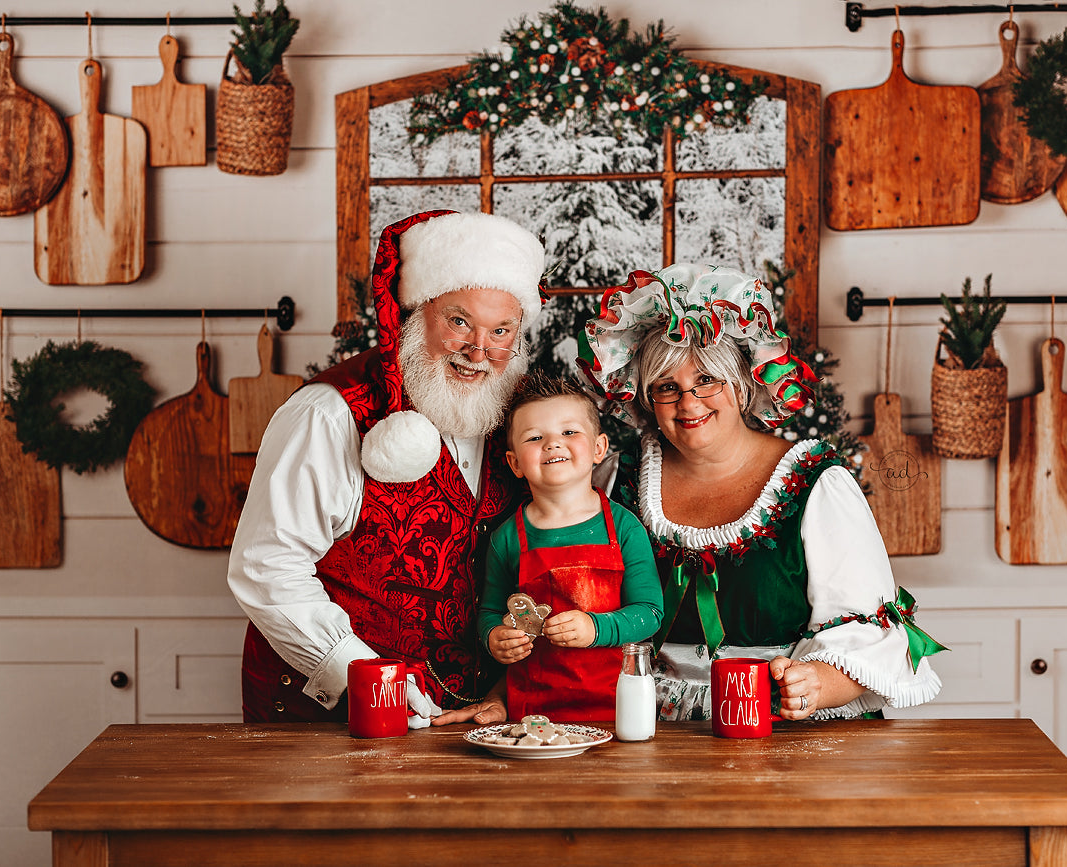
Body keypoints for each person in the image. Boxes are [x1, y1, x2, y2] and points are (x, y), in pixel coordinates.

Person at [576, 263, 943, 721]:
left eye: (707, 380)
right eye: (667, 388)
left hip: (782, 725)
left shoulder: (815, 482)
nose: (689, 403)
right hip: (648, 722)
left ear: (745, 381)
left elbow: (867, 635)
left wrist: (818, 684)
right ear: (647, 398)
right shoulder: (617, 476)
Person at [228, 209, 547, 727]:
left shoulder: (517, 421)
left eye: (501, 330)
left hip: (469, 726)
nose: (478, 351)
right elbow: (267, 570)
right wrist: (366, 678)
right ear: (416, 313)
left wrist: (505, 684)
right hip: (329, 721)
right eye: (459, 321)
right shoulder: (329, 414)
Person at [477, 374, 662, 720]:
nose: (552, 444)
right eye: (534, 437)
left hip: (615, 709)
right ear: (515, 463)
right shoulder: (506, 538)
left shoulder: (623, 528)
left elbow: (650, 613)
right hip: (531, 712)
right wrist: (495, 637)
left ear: (598, 449)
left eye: (569, 432)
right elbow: (489, 611)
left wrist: (597, 629)